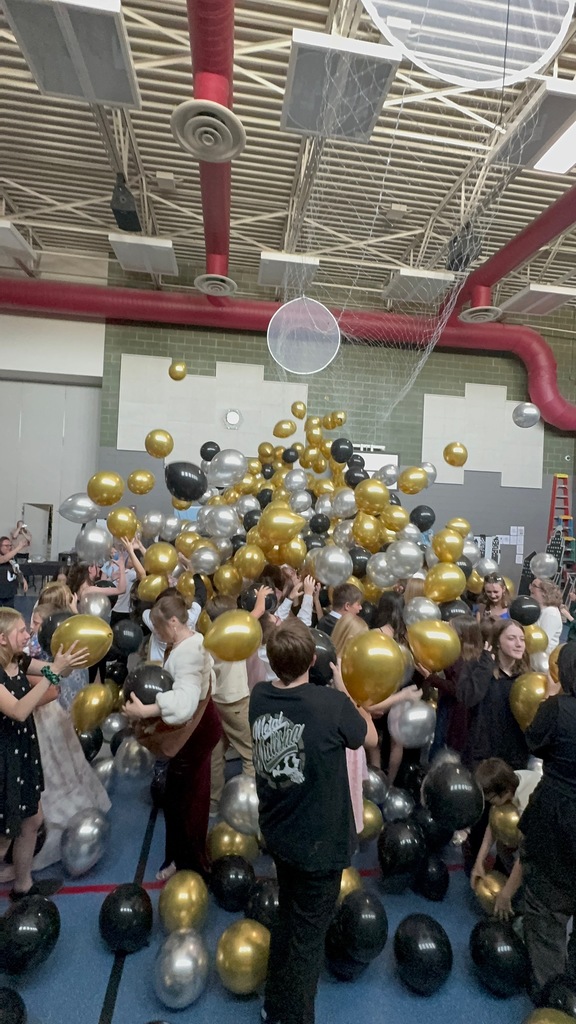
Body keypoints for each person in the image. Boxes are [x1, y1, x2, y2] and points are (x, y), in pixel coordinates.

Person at [250, 618, 370, 1024]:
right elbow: (365, 736)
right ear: (316, 659)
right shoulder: (332, 705)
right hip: (319, 845)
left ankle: (273, 1003)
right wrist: (344, 689)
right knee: (307, 940)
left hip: (280, 834)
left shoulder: (259, 697)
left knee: (288, 919)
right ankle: (294, 1016)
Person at [122, 592, 222, 881]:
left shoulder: (189, 652)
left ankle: (189, 863)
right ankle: (183, 857)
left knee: (186, 799)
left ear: (175, 622)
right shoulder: (192, 639)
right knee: (186, 795)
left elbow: (185, 703)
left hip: (194, 731)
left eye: (160, 628)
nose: (158, 635)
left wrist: (147, 710)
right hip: (200, 727)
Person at [0, 608, 87, 899]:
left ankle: (23, 885)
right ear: (2, 638)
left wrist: (66, 663)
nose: (28, 635)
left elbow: (53, 673)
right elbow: (19, 709)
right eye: (21, 631)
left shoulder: (18, 661)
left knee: (32, 820)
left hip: (22, 751)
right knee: (3, 835)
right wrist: (53, 674)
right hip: (4, 760)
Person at [518, 642, 576, 998]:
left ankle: (551, 999)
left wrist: (552, 698)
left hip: (557, 815)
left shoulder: (557, 709)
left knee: (546, 910)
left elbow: (535, 743)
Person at [470, 757, 541, 920]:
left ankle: (525, 904)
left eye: (491, 799)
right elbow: (493, 824)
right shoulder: (510, 780)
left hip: (555, 839)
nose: (490, 804)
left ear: (506, 792)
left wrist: (506, 894)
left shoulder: (528, 800)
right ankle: (517, 885)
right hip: (534, 832)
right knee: (503, 846)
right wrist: (479, 862)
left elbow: (527, 853)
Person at [204, 595, 255, 816]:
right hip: (236, 701)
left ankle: (213, 802)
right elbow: (252, 620)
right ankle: (247, 805)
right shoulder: (233, 639)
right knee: (251, 752)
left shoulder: (208, 640)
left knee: (215, 754)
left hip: (215, 701)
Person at [457, 618, 530, 770]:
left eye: (522, 639)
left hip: (514, 757)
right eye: (511, 638)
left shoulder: (528, 677)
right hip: (482, 756)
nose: (519, 644)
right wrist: (486, 666)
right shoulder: (478, 666)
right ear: (497, 642)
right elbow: (467, 698)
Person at [530, 577, 563, 655]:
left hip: (541, 658)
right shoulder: (539, 609)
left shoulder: (551, 612)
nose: (530, 588)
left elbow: (543, 641)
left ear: (544, 592)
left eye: (534, 586)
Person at [0, 536, 29, 607]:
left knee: (10, 612)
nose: (9, 547)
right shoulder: (4, 557)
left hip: (9, 591)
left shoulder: (11, 558)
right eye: (6, 546)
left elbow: (16, 569)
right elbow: (4, 559)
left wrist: (23, 580)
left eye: (10, 545)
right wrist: (19, 547)